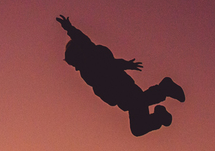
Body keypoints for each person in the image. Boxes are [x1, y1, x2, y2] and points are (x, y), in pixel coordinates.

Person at [57, 15, 185, 136]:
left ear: (78, 54)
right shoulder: (85, 70)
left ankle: (164, 91)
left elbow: (85, 43)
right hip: (121, 98)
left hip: (125, 90)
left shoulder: (91, 57)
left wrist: (69, 28)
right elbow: (110, 65)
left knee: (139, 111)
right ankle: (162, 105)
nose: (75, 67)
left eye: (73, 62)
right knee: (139, 120)